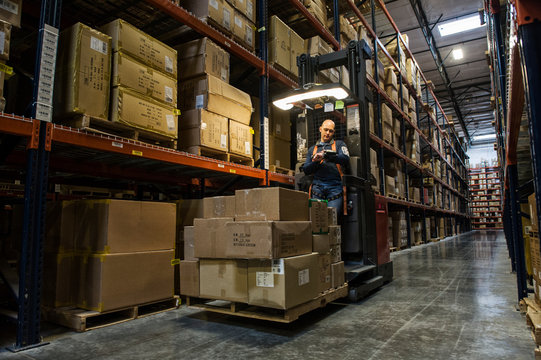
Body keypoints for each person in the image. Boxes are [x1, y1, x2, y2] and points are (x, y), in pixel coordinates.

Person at [303, 119, 350, 215]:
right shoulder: (313, 149)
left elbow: (345, 158)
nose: (328, 133)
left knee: (331, 219)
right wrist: (316, 161)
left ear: (333, 132)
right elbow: (306, 169)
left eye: (331, 131)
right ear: (320, 129)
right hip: (317, 189)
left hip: (335, 189)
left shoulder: (339, 145)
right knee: (317, 221)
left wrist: (326, 156)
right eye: (326, 129)